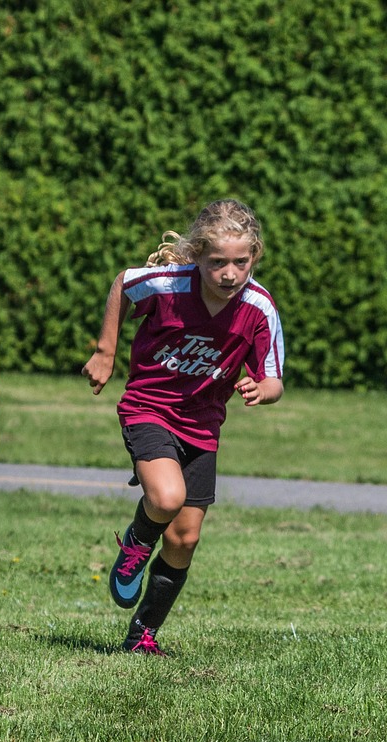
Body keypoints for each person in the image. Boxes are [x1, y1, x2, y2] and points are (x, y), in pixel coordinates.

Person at [81, 199, 284, 655]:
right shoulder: (167, 285)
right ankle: (135, 544)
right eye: (217, 263)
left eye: (241, 262)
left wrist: (261, 391)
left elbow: (274, 379)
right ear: (197, 257)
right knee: (166, 498)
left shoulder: (259, 307)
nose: (229, 273)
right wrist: (106, 350)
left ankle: (143, 635)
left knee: (185, 537)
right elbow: (123, 283)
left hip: (203, 426)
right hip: (148, 409)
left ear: (255, 257)